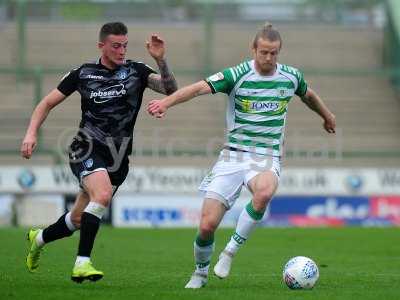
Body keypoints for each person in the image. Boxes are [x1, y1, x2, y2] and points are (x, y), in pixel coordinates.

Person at [147, 23, 336, 289]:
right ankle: (200, 273)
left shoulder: (291, 76)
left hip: (267, 157)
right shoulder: (237, 74)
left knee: (264, 192)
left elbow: (309, 96)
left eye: (273, 53)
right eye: (264, 52)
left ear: (279, 51)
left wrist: (327, 116)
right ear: (254, 49)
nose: (268, 58)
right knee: (206, 226)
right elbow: (198, 88)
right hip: (233, 156)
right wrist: (165, 102)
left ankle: (229, 252)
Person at [21, 21, 177, 283]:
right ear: (101, 45)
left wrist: (161, 60)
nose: (121, 51)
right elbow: (46, 103)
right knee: (102, 194)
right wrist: (31, 133)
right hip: (86, 147)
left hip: (118, 157)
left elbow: (170, 90)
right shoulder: (84, 73)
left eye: (125, 46)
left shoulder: (136, 71)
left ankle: (39, 239)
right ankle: (82, 263)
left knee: (80, 219)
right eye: (116, 46)